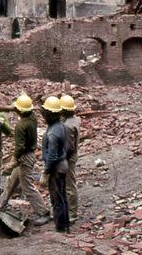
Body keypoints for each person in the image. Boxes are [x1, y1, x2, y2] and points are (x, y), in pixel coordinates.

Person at [0, 94, 51, 226]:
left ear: (18, 110)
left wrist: (13, 162)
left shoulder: (21, 126)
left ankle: (44, 212)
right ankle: (0, 206)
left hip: (24, 158)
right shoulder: (32, 118)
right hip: (30, 154)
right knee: (11, 182)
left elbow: (19, 147)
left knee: (27, 187)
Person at [40, 96, 69, 232]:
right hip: (63, 164)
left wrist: (46, 172)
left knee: (56, 199)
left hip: (56, 168)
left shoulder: (52, 133)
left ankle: (60, 228)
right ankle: (65, 224)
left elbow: (52, 156)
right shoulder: (60, 125)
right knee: (63, 196)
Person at [60, 94, 80, 223]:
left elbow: (67, 148)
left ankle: (72, 213)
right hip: (72, 156)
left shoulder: (67, 126)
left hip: (67, 158)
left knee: (69, 186)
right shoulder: (76, 119)